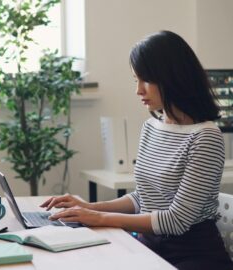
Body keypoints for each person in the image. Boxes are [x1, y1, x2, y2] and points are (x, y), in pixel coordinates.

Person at [40, 30, 233, 270]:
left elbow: (176, 220)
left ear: (174, 77)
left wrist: (99, 219)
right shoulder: (152, 127)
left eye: (146, 80)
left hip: (191, 256)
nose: (138, 90)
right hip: (148, 246)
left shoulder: (206, 137)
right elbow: (143, 198)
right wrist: (87, 207)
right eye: (135, 80)